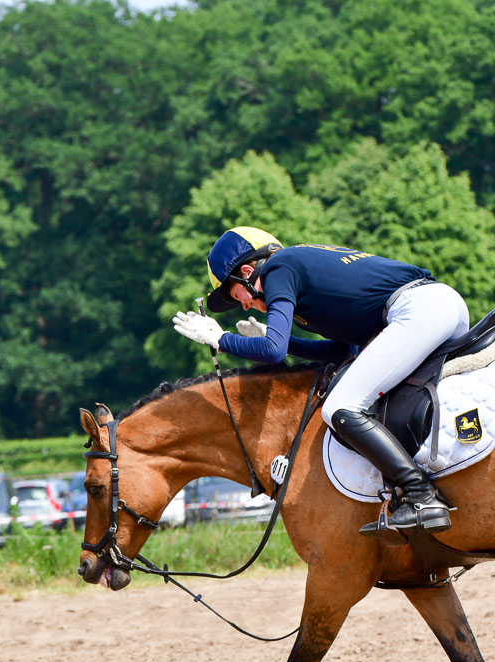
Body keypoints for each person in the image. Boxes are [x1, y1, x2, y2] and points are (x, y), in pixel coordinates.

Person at [173, 226, 469, 543]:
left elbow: (271, 353)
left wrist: (221, 339)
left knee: (340, 407)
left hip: (418, 311)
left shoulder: (277, 268)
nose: (244, 305)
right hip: (439, 307)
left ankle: (421, 494)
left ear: (248, 272)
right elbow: (340, 352)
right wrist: (275, 339)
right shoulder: (300, 272)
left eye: (237, 296)